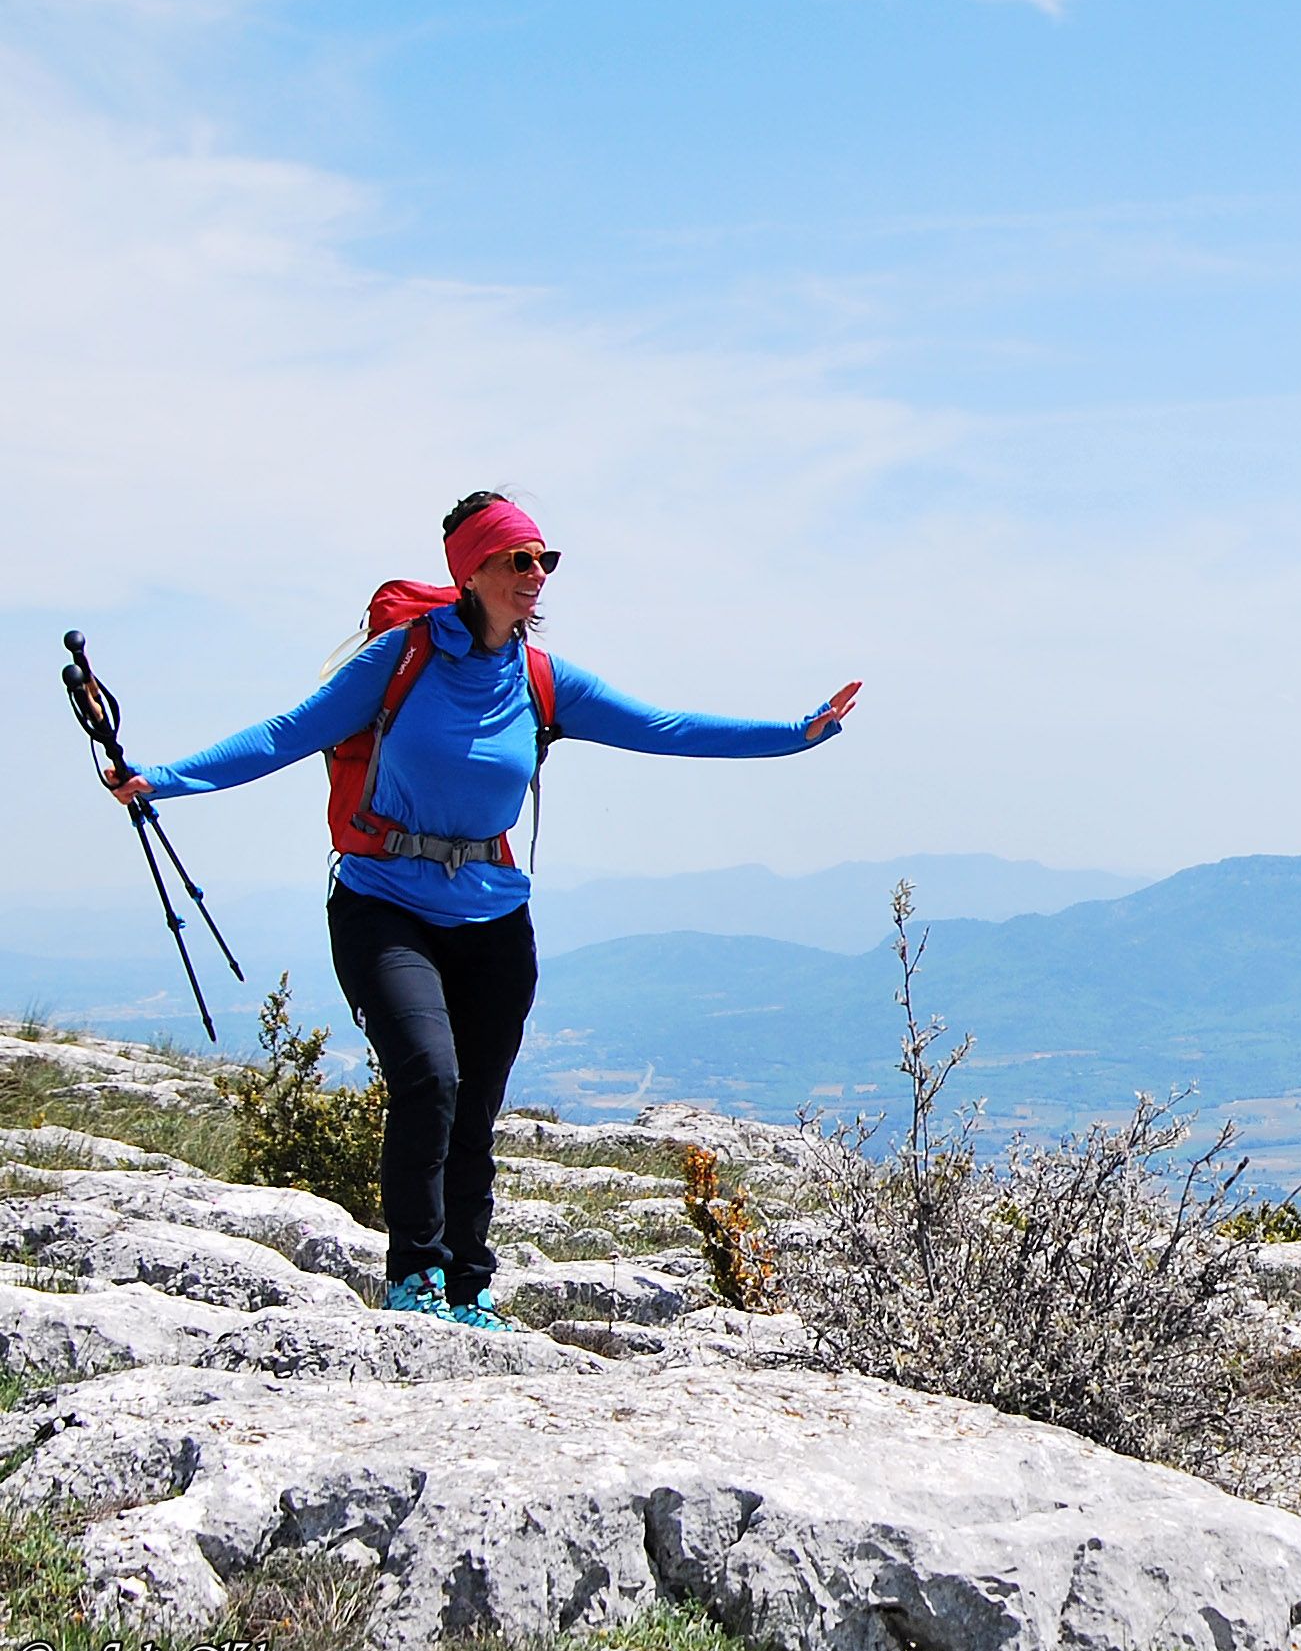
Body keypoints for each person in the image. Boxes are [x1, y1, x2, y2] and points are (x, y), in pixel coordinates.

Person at [99, 492, 859, 1331]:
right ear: (472, 570)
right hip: (383, 903)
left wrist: (797, 732)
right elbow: (288, 732)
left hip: (494, 921)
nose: (537, 574)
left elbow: (666, 726)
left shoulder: (542, 678)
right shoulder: (400, 659)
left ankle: (469, 1285)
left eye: (544, 560)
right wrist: (162, 779)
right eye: (518, 560)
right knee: (429, 1076)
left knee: (475, 1106)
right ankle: (413, 1277)